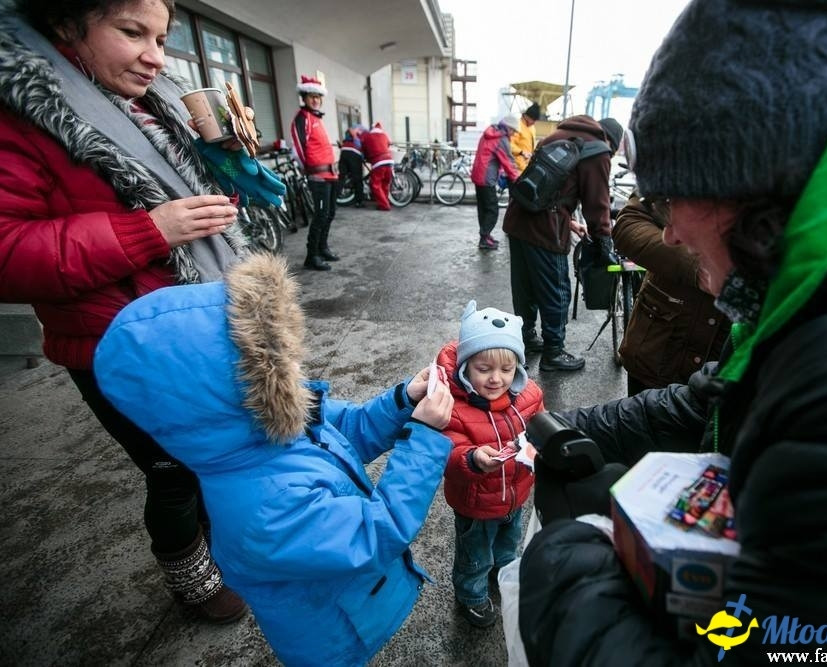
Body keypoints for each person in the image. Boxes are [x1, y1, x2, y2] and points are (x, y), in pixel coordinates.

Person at [518, 0, 827, 664]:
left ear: (743, 183)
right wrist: (595, 428)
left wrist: (567, 557)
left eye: (671, 200)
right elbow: (720, 396)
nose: (672, 233)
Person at [0, 0, 257, 624]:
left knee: (213, 453)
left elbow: (211, 198)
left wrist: (229, 151)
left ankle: (218, 546)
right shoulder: (22, 111)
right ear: (66, 22)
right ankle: (193, 581)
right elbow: (8, 249)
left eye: (162, 38)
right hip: (118, 343)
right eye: (131, 32)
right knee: (173, 471)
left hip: (199, 319)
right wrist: (147, 231)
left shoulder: (153, 102)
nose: (155, 56)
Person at [93, 253, 456, 667]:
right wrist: (424, 439)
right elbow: (377, 533)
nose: (293, 368)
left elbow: (352, 431)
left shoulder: (272, 423)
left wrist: (403, 400)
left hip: (357, 605)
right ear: (230, 392)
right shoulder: (262, 505)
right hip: (334, 638)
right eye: (275, 362)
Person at [435, 301, 544, 628]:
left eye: (506, 370)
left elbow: (540, 426)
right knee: (475, 554)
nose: (497, 379)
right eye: (484, 369)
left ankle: (504, 570)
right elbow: (448, 453)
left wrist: (540, 445)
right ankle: (470, 593)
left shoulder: (529, 395)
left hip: (515, 494)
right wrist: (473, 458)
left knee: (509, 543)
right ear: (466, 366)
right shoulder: (452, 407)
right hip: (476, 504)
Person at [502, 115, 623, 372]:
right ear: (612, 143)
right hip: (546, 230)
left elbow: (547, 188)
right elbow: (597, 205)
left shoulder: (558, 136)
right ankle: (553, 353)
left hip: (518, 218)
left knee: (525, 285)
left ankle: (526, 337)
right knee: (556, 289)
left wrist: (571, 223)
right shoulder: (598, 150)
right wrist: (604, 241)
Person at [613, 192, 730, 395]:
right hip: (658, 349)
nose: (670, 236)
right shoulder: (683, 164)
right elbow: (629, 223)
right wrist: (695, 266)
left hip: (728, 369)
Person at [291, 74, 341, 270]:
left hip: (330, 175)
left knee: (329, 214)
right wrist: (309, 170)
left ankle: (323, 248)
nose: (315, 100)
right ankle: (312, 256)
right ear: (304, 97)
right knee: (320, 215)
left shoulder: (316, 118)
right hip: (317, 176)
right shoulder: (301, 119)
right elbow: (300, 148)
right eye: (311, 96)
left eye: (318, 97)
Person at [470, 114, 521, 251]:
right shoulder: (501, 139)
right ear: (508, 128)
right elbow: (508, 162)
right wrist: (517, 179)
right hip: (487, 178)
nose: (514, 133)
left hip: (478, 175)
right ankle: (484, 238)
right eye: (513, 131)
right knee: (492, 210)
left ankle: (485, 236)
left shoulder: (489, 132)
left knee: (483, 208)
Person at [361, 121, 394, 211]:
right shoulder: (384, 135)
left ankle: (384, 205)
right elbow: (388, 144)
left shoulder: (368, 136)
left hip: (378, 162)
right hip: (389, 161)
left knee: (375, 184)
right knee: (385, 183)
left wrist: (366, 157)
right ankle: (385, 200)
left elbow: (363, 148)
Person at [339, 124, 366, 209]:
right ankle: (359, 202)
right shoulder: (363, 131)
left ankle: (333, 199)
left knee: (341, 177)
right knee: (358, 179)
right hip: (354, 153)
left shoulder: (350, 131)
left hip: (344, 151)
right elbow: (363, 146)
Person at [510, 102, 541, 172]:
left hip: (526, 167)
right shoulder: (516, 126)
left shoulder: (532, 127)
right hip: (515, 167)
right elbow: (509, 144)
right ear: (527, 117)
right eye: (533, 120)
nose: (534, 123)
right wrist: (521, 152)